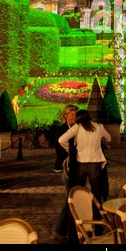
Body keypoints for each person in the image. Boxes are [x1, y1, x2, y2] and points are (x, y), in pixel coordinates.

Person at [58, 109, 111, 208]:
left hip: (81, 163)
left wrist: (70, 149)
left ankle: (80, 212)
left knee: (79, 190)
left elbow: (61, 140)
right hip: (95, 163)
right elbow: (109, 138)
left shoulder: (77, 128)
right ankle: (96, 215)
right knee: (96, 191)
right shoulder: (99, 127)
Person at [52, 104, 78, 242]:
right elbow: (59, 149)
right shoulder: (61, 130)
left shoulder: (77, 128)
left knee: (72, 196)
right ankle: (60, 229)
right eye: (72, 115)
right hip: (65, 166)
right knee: (72, 197)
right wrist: (72, 153)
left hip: (75, 166)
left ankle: (65, 229)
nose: (74, 117)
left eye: (75, 115)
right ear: (66, 116)